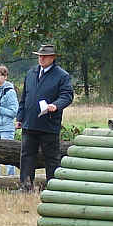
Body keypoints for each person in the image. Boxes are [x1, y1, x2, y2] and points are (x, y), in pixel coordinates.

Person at [15, 44, 73, 193]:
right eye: (40, 56)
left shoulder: (62, 75)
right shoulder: (31, 73)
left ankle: (53, 188)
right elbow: (24, 97)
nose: (41, 59)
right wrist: (20, 117)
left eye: (45, 56)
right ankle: (26, 187)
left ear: (52, 58)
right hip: (29, 123)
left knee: (51, 158)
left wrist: (56, 105)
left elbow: (67, 96)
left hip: (49, 124)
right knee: (26, 156)